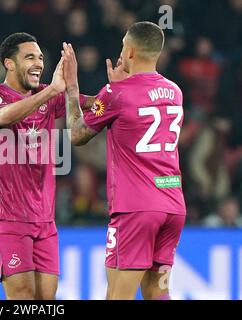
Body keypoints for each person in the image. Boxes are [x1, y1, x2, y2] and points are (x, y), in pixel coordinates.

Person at [62, 21, 186, 300]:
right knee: (158, 292)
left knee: (117, 296)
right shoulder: (175, 92)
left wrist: (72, 90)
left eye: (122, 47)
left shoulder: (116, 94)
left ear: (129, 52)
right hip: (173, 205)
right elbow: (140, 107)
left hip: (137, 209)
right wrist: (119, 88)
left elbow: (77, 135)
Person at [0, 32, 93, 300]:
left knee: (46, 300)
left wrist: (127, 90)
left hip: (44, 219)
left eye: (40, 58)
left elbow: (92, 103)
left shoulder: (46, 96)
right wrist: (53, 90)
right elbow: (4, 117)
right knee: (23, 298)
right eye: (30, 57)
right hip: (6, 217)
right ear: (9, 63)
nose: (39, 63)